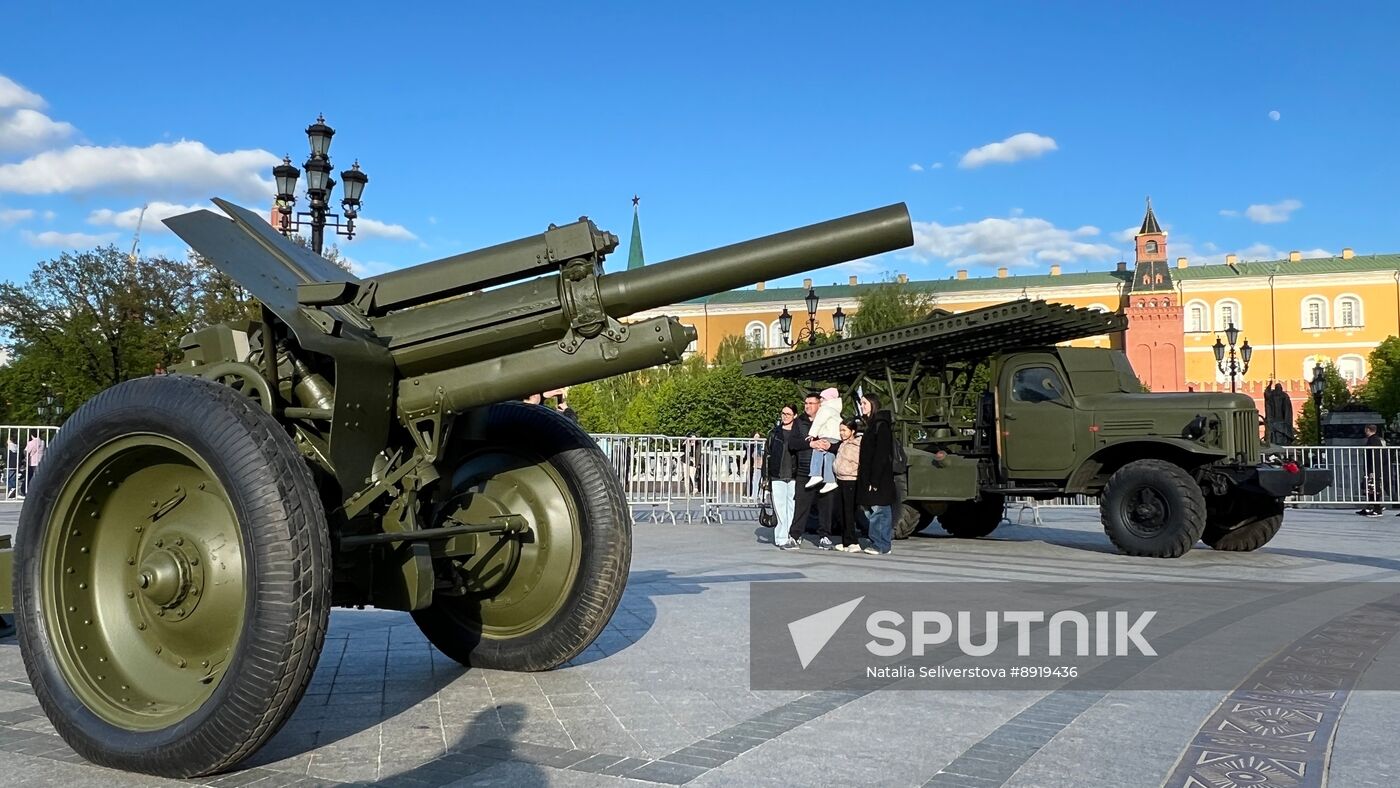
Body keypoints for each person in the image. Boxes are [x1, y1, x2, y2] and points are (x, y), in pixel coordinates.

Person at [785, 393, 836, 549]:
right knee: (801, 505)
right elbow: (792, 443)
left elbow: (840, 442)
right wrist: (811, 444)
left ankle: (825, 536)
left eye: (811, 403)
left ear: (819, 405)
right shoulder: (799, 422)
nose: (807, 406)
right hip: (804, 471)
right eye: (805, 403)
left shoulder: (829, 420)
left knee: (826, 505)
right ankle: (794, 536)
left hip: (825, 471)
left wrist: (830, 446)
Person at [856, 393, 896, 555]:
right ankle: (878, 542)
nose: (862, 406)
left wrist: (875, 479)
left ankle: (881, 545)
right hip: (870, 475)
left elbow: (881, 454)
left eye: (865, 403)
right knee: (871, 510)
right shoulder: (872, 425)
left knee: (880, 510)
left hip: (879, 477)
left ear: (873, 404)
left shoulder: (881, 425)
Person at [765, 406, 799, 548]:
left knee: (792, 507)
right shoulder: (774, 433)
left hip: (794, 474)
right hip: (777, 474)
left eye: (788, 414)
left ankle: (790, 535)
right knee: (779, 507)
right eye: (783, 413)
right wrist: (766, 477)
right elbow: (767, 455)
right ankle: (781, 536)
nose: (785, 416)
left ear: (795, 415)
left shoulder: (799, 433)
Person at [833, 419, 864, 552]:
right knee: (841, 512)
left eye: (844, 430)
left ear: (853, 431)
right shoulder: (842, 444)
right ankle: (846, 541)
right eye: (840, 430)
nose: (842, 433)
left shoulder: (856, 445)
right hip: (840, 479)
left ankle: (853, 541)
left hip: (851, 480)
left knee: (849, 512)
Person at [804, 387, 842, 494]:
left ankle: (815, 474)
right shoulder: (835, 409)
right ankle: (830, 480)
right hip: (835, 436)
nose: (821, 400)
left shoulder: (825, 409)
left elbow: (819, 422)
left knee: (818, 450)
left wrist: (812, 434)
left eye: (822, 398)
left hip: (827, 434)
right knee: (829, 457)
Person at [1358, 423, 1386, 517]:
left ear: (1367, 430)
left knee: (1373, 488)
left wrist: (1372, 470)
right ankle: (1370, 506)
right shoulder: (1374, 440)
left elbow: (1375, 457)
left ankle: (1377, 508)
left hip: (1373, 469)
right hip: (1372, 468)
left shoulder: (1373, 441)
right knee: (1370, 487)